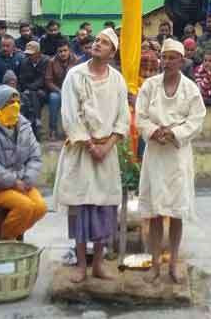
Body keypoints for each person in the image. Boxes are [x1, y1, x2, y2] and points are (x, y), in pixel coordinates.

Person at [52, 28, 130, 283]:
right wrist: (90, 145)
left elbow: (123, 117)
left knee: (105, 207)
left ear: (112, 52)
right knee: (82, 206)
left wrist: (106, 147)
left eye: (104, 43)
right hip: (81, 150)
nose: (97, 44)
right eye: (97, 40)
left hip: (106, 152)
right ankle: (81, 264)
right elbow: (70, 115)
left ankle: (98, 263)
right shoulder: (75, 75)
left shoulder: (117, 79)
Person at [136, 38, 206, 284]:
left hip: (177, 155)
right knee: (155, 212)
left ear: (181, 60)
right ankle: (155, 264)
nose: (167, 62)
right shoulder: (149, 86)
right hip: (155, 153)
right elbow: (140, 116)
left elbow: (197, 120)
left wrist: (174, 133)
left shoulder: (190, 89)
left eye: (172, 58)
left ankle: (173, 263)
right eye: (164, 57)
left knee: (176, 212)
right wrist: (154, 131)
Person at [0, 85, 47, 240]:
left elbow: (35, 156)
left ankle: (8, 237)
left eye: (17, 102)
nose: (15, 106)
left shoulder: (24, 126)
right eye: (10, 102)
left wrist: (27, 179)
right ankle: (4, 241)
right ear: (1, 104)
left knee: (40, 208)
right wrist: (13, 182)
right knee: (25, 207)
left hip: (22, 183)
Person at [45, 39, 78, 141]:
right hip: (57, 91)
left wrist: (70, 91)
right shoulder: (51, 62)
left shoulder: (76, 60)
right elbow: (48, 81)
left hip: (72, 90)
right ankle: (53, 130)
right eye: (60, 51)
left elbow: (78, 78)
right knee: (53, 98)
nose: (63, 53)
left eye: (65, 50)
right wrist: (60, 91)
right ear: (57, 52)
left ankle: (70, 131)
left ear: (69, 51)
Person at [18, 41, 50, 133]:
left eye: (31, 54)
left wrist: (30, 88)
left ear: (39, 53)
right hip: (30, 90)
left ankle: (35, 120)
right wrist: (28, 88)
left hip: (44, 89)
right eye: (27, 54)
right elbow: (22, 78)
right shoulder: (24, 62)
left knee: (36, 93)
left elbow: (43, 79)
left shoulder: (46, 61)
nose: (29, 56)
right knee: (30, 95)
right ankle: (36, 120)